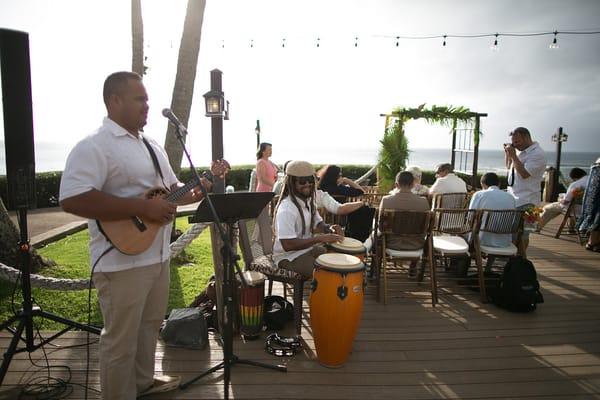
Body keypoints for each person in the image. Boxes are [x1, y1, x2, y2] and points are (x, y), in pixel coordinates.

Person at [59, 71, 218, 400]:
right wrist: (141, 208)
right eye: (139, 99)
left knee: (149, 327)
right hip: (121, 260)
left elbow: (172, 193)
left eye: (147, 99)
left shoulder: (152, 145)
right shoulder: (94, 146)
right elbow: (72, 197)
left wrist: (200, 188)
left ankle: (143, 382)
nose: (147, 105)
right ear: (114, 101)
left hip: (158, 255)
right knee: (120, 340)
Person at [272, 161, 344, 279]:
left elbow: (319, 223)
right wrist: (320, 238)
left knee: (338, 261)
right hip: (287, 257)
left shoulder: (308, 202)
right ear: (291, 183)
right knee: (327, 273)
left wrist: (329, 228)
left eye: (310, 180)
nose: (307, 184)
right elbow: (288, 244)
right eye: (302, 181)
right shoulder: (286, 209)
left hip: (306, 250)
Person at [504, 127, 547, 254]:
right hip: (513, 198)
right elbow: (509, 167)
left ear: (527, 137)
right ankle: (512, 259)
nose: (515, 145)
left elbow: (524, 173)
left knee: (523, 234)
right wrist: (508, 155)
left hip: (528, 200)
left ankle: (521, 260)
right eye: (513, 142)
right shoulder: (520, 151)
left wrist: (514, 156)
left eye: (517, 142)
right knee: (511, 233)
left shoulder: (537, 154)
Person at [378, 171, 430, 276]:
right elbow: (426, 227)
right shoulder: (423, 202)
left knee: (376, 236)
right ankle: (413, 268)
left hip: (391, 244)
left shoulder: (387, 200)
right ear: (412, 185)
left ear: (396, 184)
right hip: (417, 244)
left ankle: (375, 272)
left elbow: (380, 225)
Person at [538, 167, 588, 232]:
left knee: (547, 208)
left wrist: (560, 199)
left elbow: (566, 201)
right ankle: (571, 229)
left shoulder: (576, 184)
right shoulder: (592, 181)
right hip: (588, 210)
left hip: (576, 210)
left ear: (575, 178)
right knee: (573, 205)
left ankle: (537, 227)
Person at [577, 158, 600, 252]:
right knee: (597, 215)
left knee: (594, 214)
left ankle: (591, 242)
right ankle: (594, 243)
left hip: (592, 195)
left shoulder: (595, 167)